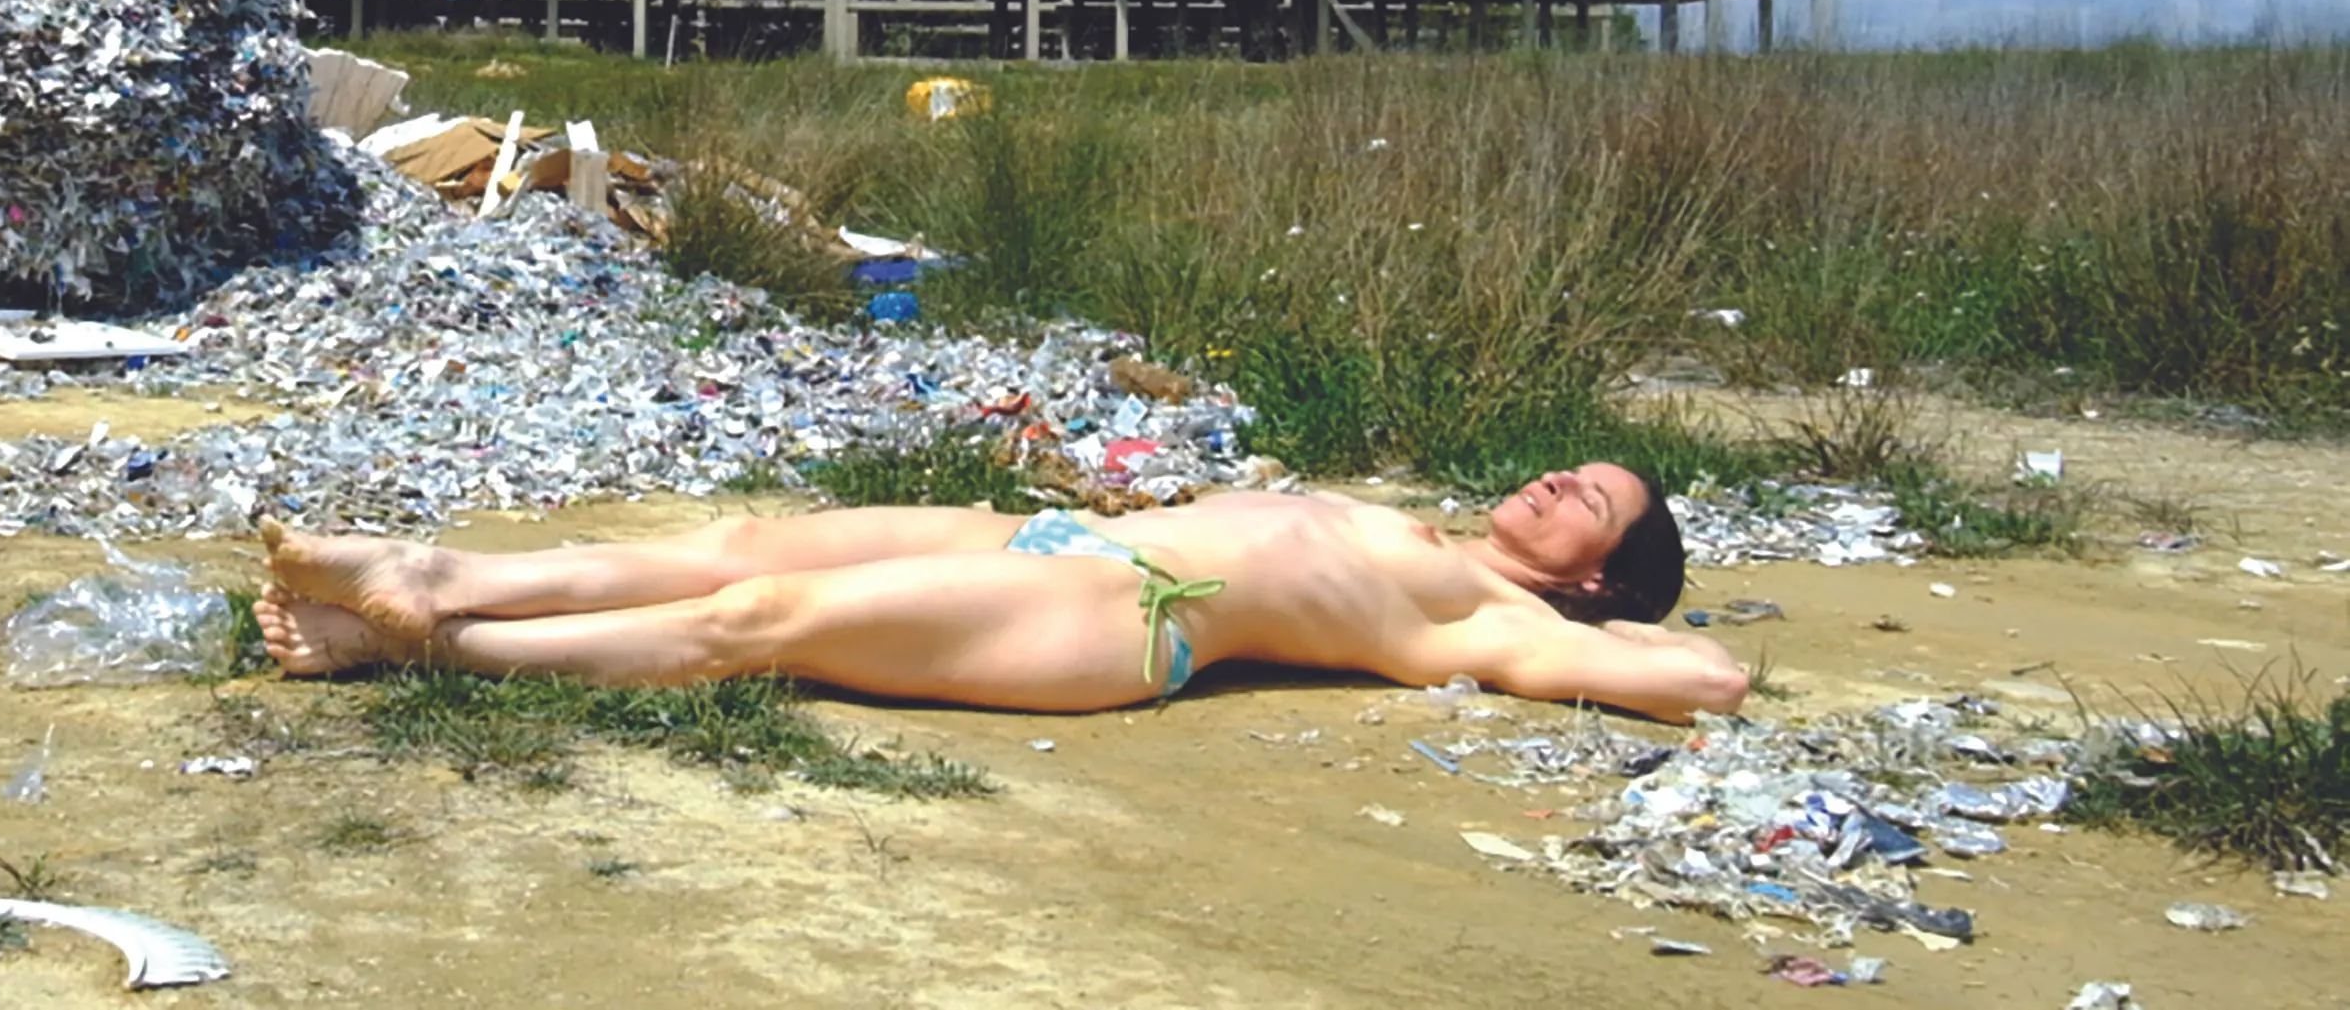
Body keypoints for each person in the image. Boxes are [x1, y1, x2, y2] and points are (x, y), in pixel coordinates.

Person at [255, 463, 1748, 721]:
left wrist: (1607, 635)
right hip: (1043, 543)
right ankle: (437, 581)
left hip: (1124, 619)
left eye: (1588, 503)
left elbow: (1709, 684)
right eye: (1565, 472)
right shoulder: (1409, 525)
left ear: (1599, 569)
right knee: (739, 549)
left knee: (755, 634)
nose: (1555, 487)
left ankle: (428, 656)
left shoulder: (1498, 622)